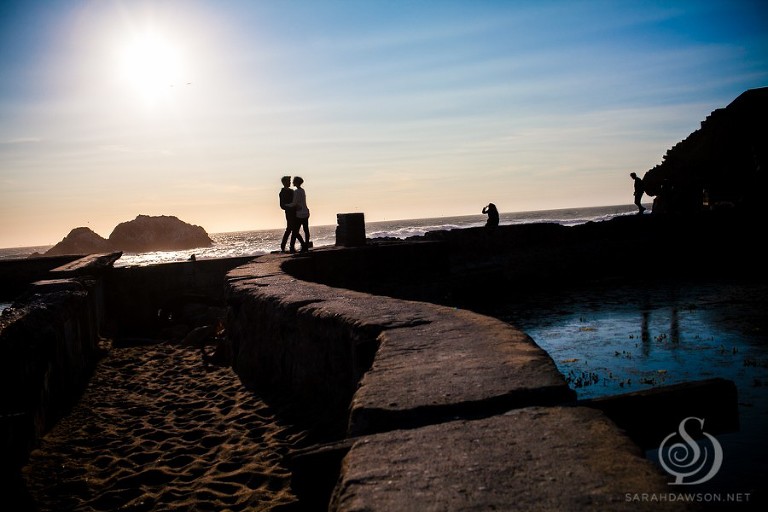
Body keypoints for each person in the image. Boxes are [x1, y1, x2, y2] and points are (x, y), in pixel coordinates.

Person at [279, 176, 304, 252]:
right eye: (288, 181)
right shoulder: (282, 193)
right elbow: (282, 205)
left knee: (292, 230)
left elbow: (296, 201)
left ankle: (288, 246)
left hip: (295, 213)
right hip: (289, 214)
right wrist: (290, 207)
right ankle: (295, 245)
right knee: (291, 229)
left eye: (290, 181)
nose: (289, 183)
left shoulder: (292, 191)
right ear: (284, 183)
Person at [286, 176, 310, 252]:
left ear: (296, 182)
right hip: (306, 212)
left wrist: (286, 205)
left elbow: (294, 203)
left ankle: (293, 247)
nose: (292, 182)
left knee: (295, 231)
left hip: (299, 214)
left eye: (293, 181)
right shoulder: (303, 190)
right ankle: (306, 245)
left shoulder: (296, 192)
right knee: (306, 230)